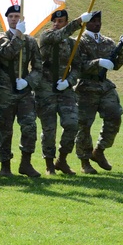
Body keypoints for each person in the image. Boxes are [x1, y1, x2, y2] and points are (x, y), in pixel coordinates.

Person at [36, 9, 92, 175]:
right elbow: (57, 36)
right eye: (55, 21)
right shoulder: (47, 35)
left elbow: (77, 67)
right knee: (49, 128)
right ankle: (49, 164)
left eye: (61, 21)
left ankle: (61, 159)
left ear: (65, 22)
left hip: (65, 90)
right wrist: (79, 22)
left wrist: (69, 81)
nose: (57, 24)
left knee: (72, 124)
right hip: (46, 89)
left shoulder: (72, 43)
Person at [0, 4, 43, 177]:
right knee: (5, 129)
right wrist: (18, 35)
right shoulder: (0, 37)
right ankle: (5, 166)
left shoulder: (30, 41)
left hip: (23, 92)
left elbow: (38, 68)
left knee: (29, 126)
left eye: (17, 16)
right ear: (7, 19)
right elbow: (7, 53)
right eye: (11, 16)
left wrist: (28, 83)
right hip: (4, 91)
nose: (14, 19)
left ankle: (25, 163)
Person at [75, 11, 123, 173]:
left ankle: (99, 150)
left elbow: (116, 65)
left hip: (104, 86)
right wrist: (97, 62)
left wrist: (122, 48)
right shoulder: (79, 42)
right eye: (93, 21)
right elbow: (78, 66)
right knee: (83, 125)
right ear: (86, 24)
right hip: (85, 87)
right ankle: (85, 162)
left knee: (114, 116)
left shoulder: (107, 42)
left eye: (99, 21)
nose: (97, 24)